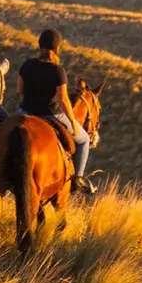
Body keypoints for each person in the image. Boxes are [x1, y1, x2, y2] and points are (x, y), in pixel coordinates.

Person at [17, 29, 92, 193]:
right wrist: (72, 121)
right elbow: (63, 99)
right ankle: (78, 179)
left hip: (25, 111)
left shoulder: (27, 65)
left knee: (1, 129)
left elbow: (20, 90)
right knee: (84, 139)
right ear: (58, 49)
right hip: (51, 114)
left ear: (39, 46)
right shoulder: (58, 70)